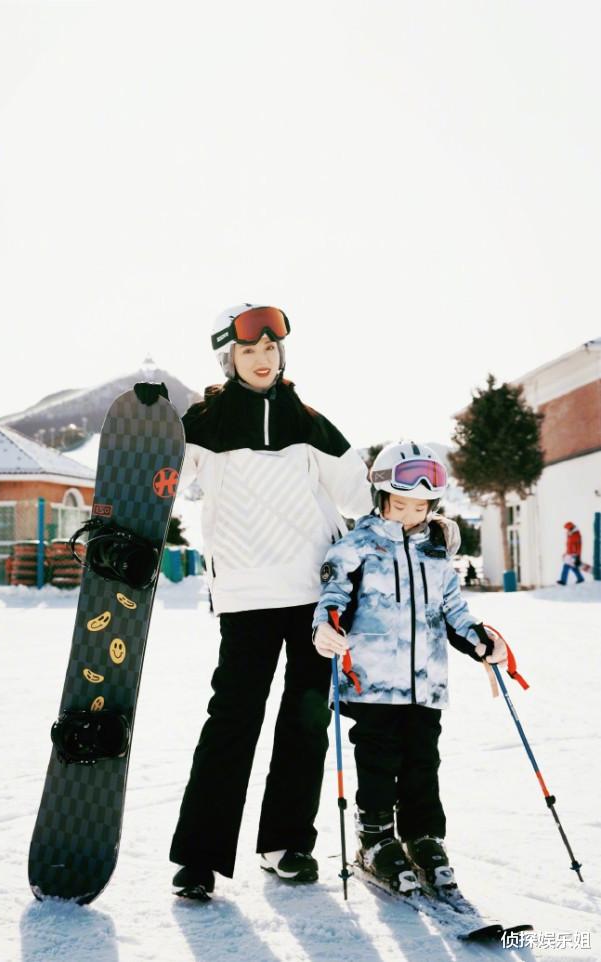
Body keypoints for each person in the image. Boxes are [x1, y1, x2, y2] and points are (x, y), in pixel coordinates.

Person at [169, 304, 373, 899]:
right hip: (245, 596)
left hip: (316, 597)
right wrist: (156, 427)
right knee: (232, 720)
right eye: (248, 351)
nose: (261, 359)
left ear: (282, 355)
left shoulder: (310, 423)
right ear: (228, 359)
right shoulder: (203, 424)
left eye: (269, 350)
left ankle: (285, 844)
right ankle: (200, 857)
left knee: (306, 720)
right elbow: (175, 482)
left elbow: (362, 494)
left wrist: (428, 520)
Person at [312, 441, 507, 895]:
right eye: (400, 504)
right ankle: (376, 841)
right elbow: (332, 599)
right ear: (380, 499)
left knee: (423, 761)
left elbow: (454, 610)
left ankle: (423, 838)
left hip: (426, 684)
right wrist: (326, 626)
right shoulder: (355, 547)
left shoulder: (436, 552)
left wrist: (479, 639)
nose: (410, 514)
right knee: (378, 761)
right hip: (373, 683)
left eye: (420, 506)